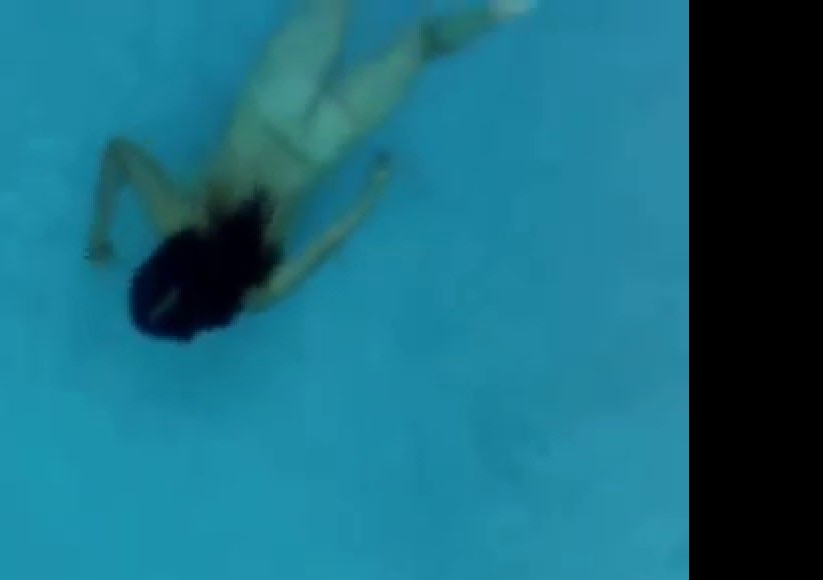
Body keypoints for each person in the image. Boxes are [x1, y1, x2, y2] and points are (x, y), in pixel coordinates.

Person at [87, 0, 534, 342]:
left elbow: (328, 243)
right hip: (272, 102)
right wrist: (99, 235)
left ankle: (501, 9)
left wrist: (374, 190)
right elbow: (118, 152)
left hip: (325, 141)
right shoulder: (176, 219)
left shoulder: (256, 294)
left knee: (424, 45)